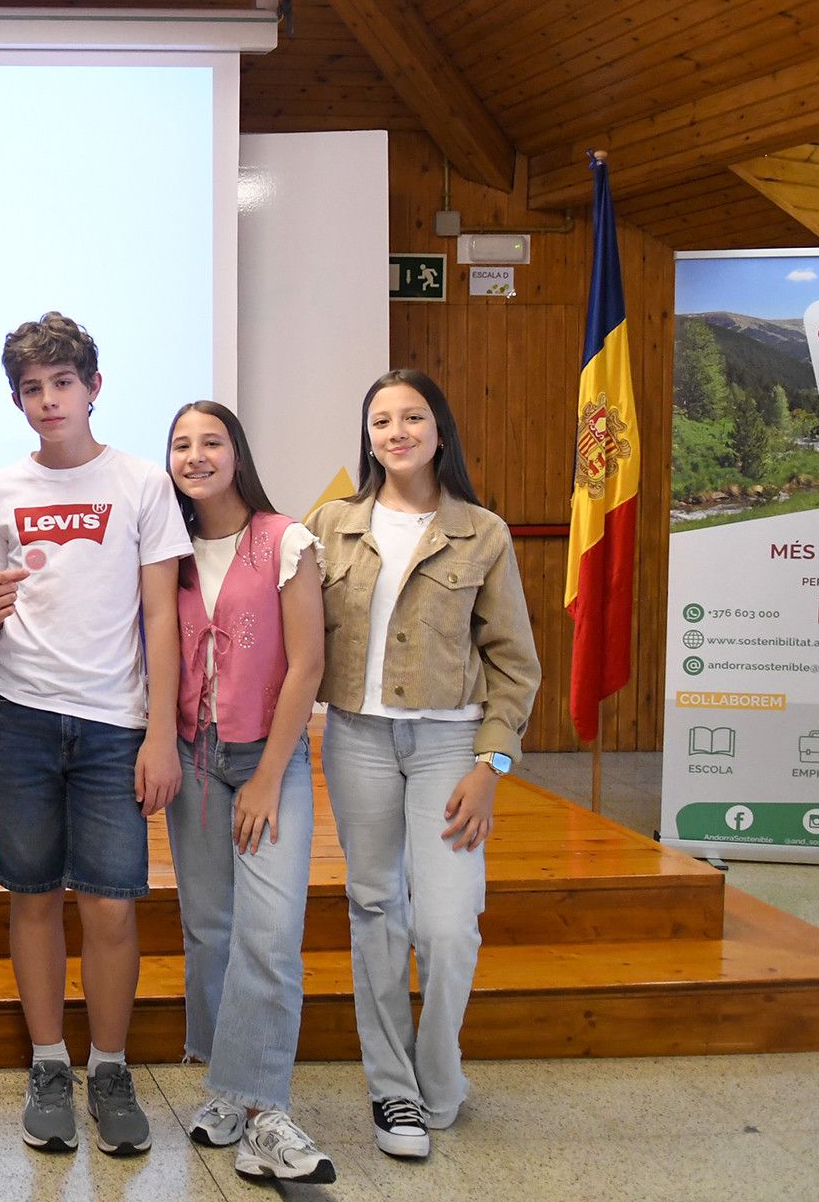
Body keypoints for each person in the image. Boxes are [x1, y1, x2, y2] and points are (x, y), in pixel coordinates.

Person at [0, 313, 190, 1157]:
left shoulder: (139, 483)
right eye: (32, 387)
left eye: (63, 382)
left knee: (108, 904)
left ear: (93, 387)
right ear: (18, 398)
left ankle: (111, 1066)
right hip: (19, 714)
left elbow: (163, 613)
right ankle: (49, 1064)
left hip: (112, 724)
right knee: (31, 896)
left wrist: (158, 732)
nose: (49, 399)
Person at [304, 368, 540, 1162]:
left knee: (447, 925)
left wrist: (492, 763)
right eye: (380, 420)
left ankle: (439, 1071)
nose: (395, 431)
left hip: (450, 746)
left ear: (440, 429)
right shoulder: (331, 523)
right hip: (358, 739)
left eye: (411, 417)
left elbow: (515, 664)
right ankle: (392, 1089)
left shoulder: (484, 531)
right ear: (367, 436)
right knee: (376, 910)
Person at [162, 401, 334, 1185]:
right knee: (209, 928)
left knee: (270, 931)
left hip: (269, 759)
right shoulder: (166, 547)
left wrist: (268, 774)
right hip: (193, 759)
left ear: (238, 453)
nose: (195, 456)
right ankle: (226, 1085)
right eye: (181, 444)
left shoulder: (285, 538)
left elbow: (307, 664)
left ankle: (266, 1112)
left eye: (211, 442)